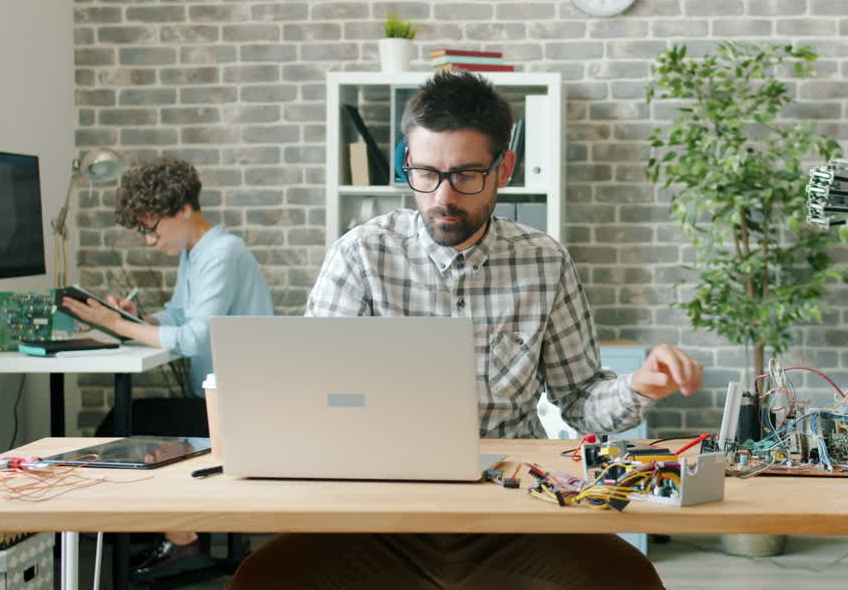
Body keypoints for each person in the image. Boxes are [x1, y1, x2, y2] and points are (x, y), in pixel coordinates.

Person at [229, 71, 704, 590]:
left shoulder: (544, 262)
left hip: (513, 507)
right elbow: (311, 400)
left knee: (629, 579)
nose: (442, 196)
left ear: (505, 169)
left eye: (465, 176)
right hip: (378, 511)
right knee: (261, 580)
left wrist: (638, 385)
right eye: (426, 173)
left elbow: (581, 401)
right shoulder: (361, 254)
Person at [60, 154, 274, 579]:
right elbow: (180, 315)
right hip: (217, 399)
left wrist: (117, 325)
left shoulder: (222, 252)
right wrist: (138, 316)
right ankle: (181, 536)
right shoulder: (196, 252)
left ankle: (180, 539)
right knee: (126, 422)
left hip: (242, 408)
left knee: (124, 423)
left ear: (183, 210)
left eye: (152, 228)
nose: (149, 241)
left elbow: (195, 337)